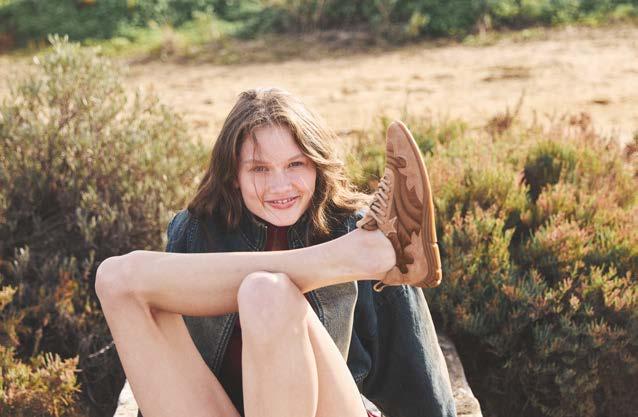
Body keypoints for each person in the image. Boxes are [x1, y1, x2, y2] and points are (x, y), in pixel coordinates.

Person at [96, 88, 456, 417]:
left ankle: (336, 260)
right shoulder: (196, 233)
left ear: (317, 164)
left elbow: (414, 371)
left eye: (295, 164)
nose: (280, 186)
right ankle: (344, 259)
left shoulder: (351, 227)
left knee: (265, 293)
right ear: (233, 175)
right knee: (113, 278)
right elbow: (167, 364)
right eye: (259, 168)